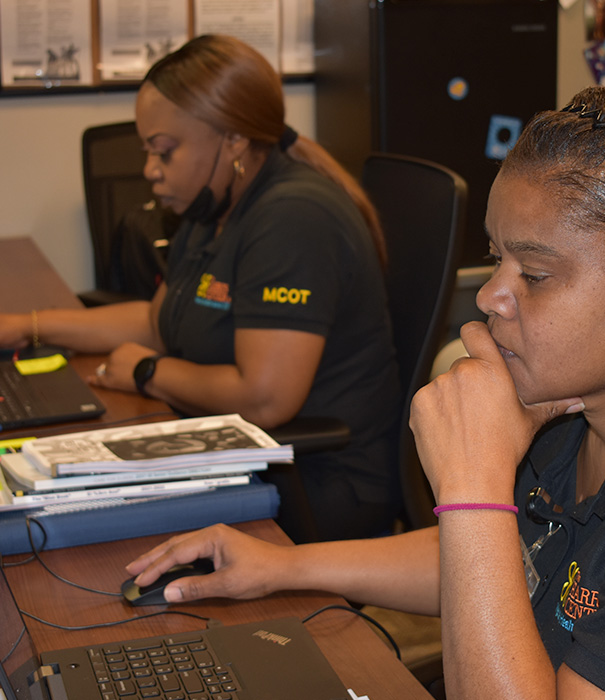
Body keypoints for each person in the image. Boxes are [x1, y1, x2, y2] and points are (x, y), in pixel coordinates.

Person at [125, 85, 605, 699]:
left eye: (533, 274)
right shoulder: (570, 418)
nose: (490, 297)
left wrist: (472, 484)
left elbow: (483, 537)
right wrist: (282, 566)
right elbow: (497, 560)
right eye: (495, 257)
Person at [0, 35, 401, 543]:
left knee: (77, 542)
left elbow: (265, 398)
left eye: (163, 151)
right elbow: (157, 321)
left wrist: (148, 372)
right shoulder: (215, 203)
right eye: (147, 150)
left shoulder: (293, 219)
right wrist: (27, 327)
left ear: (232, 140)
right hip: (246, 452)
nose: (149, 170)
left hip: (317, 483)